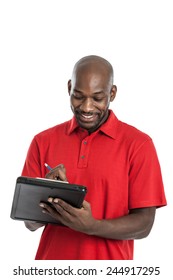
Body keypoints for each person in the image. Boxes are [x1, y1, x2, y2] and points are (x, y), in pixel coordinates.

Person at [22, 55, 167, 260]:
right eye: (78, 96)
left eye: (97, 98)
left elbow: (144, 225)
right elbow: (30, 224)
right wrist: (49, 195)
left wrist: (92, 227)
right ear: (69, 87)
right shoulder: (42, 141)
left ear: (112, 93)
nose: (87, 107)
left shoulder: (139, 144)